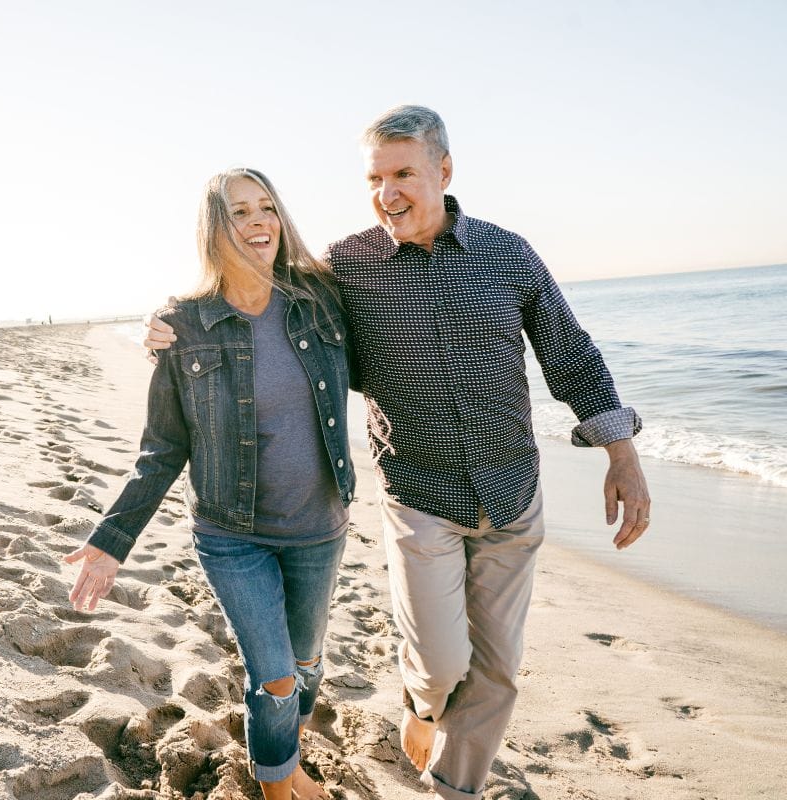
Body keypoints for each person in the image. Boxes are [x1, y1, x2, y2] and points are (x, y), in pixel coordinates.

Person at [143, 106, 652, 800]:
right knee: (443, 667)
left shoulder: (508, 254)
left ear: (444, 170)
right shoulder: (346, 267)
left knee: (498, 670)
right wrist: (176, 322)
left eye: (404, 174)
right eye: (375, 179)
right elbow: (258, 295)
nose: (388, 193)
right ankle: (420, 701)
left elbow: (572, 357)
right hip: (421, 499)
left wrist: (621, 455)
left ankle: (452, 787)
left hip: (513, 494)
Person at [66, 168, 355, 800]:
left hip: (319, 529)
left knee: (305, 668)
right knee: (275, 677)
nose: (258, 222)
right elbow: (163, 448)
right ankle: (278, 784)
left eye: (267, 208)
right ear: (214, 229)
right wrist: (111, 541)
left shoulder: (320, 298)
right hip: (232, 535)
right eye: (239, 212)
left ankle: (291, 753)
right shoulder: (185, 325)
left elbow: (390, 335)